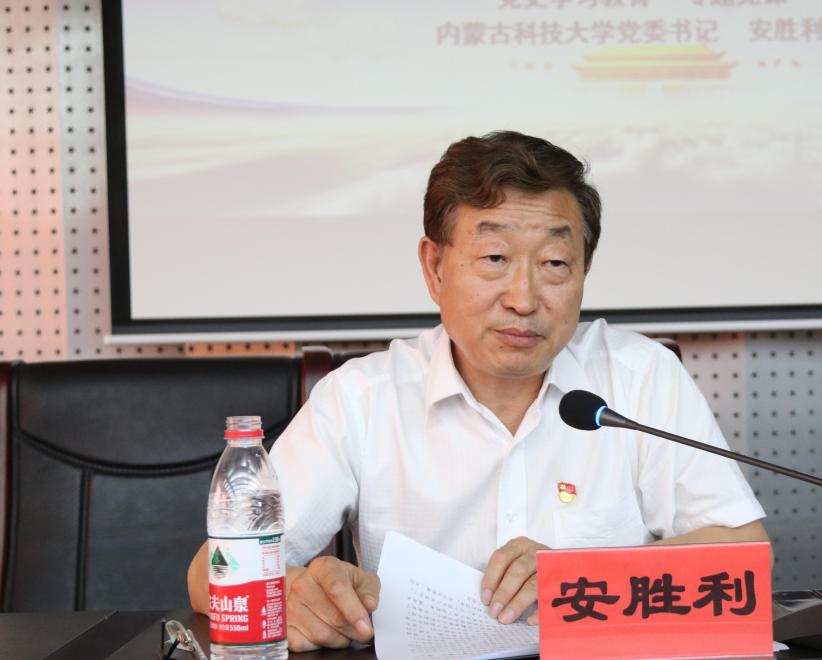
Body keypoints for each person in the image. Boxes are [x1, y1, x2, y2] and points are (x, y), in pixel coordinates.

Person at [187, 130, 769, 651]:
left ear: (584, 272)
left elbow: (746, 557)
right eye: (494, 258)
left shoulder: (641, 378)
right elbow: (209, 574)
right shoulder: (361, 398)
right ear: (435, 267)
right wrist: (296, 596)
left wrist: (584, 577)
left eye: (555, 263)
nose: (524, 298)